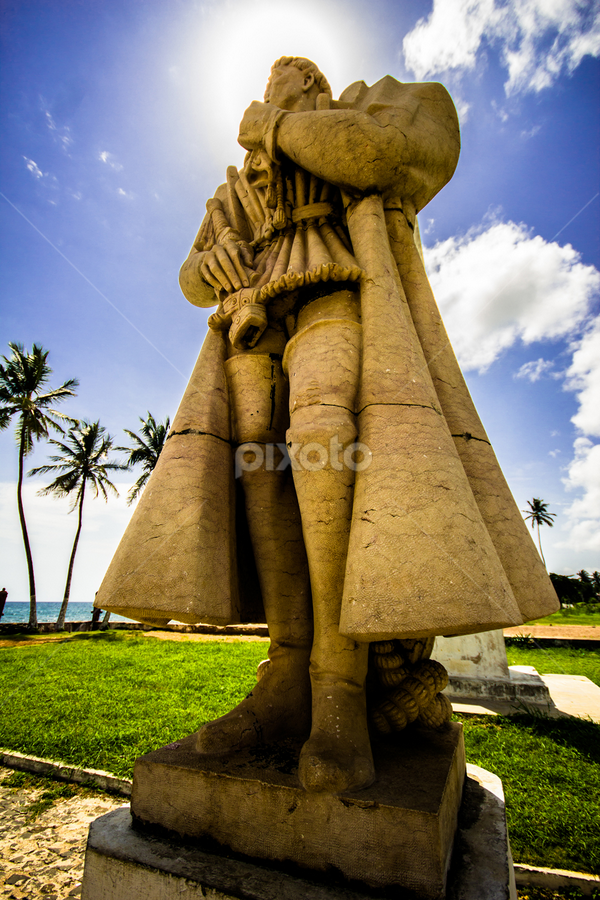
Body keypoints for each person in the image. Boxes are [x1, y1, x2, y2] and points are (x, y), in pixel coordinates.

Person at [95, 57, 558, 793]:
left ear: (310, 82)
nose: (277, 75)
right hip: (252, 317)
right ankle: (287, 672)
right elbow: (188, 276)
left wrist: (273, 127)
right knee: (258, 465)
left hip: (337, 291)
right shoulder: (242, 178)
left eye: (289, 72)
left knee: (319, 442)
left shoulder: (370, 108)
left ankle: (338, 685)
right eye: (271, 76)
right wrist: (209, 262)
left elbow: (377, 159)